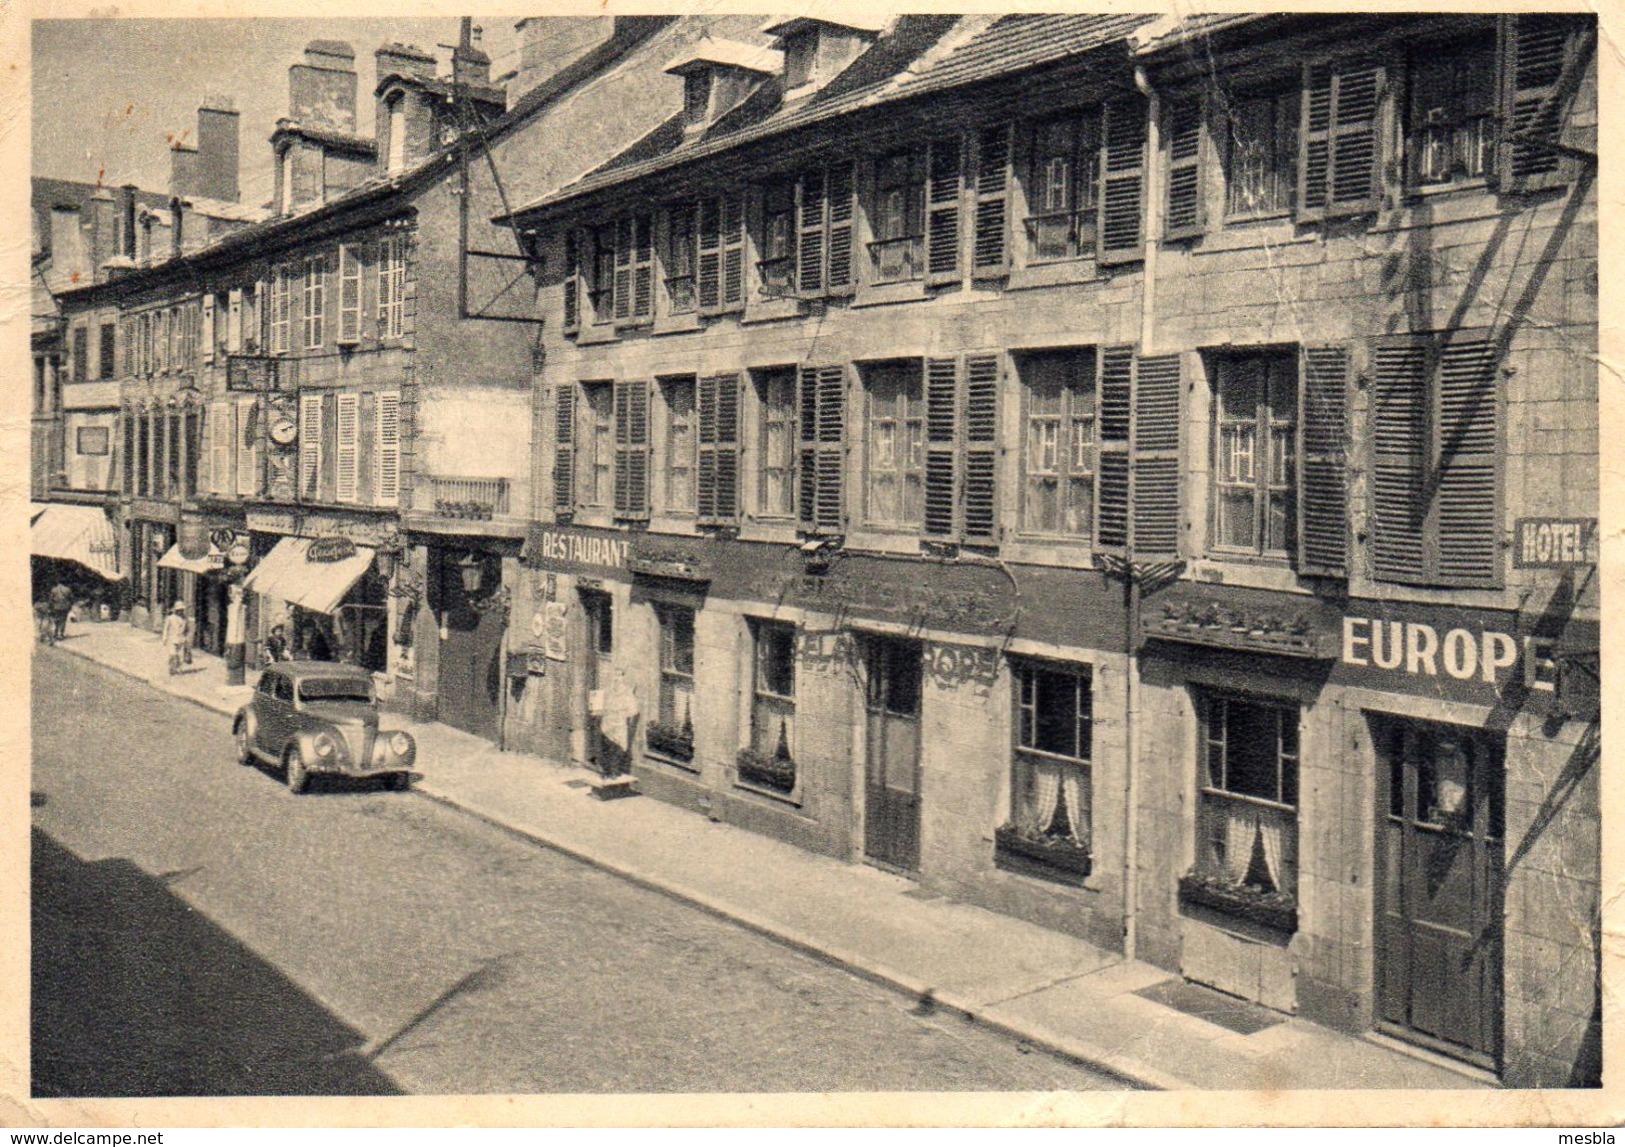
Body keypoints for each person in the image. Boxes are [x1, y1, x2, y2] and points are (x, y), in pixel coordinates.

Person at [160, 602, 189, 676]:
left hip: (182, 639)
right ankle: (171, 669)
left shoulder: (185, 619)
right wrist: (164, 638)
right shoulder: (170, 618)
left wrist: (187, 638)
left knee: (180, 655)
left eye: (182, 610)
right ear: (175, 610)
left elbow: (187, 629)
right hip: (172, 639)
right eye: (179, 610)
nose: (180, 611)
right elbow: (166, 629)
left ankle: (178, 669)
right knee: (172, 654)